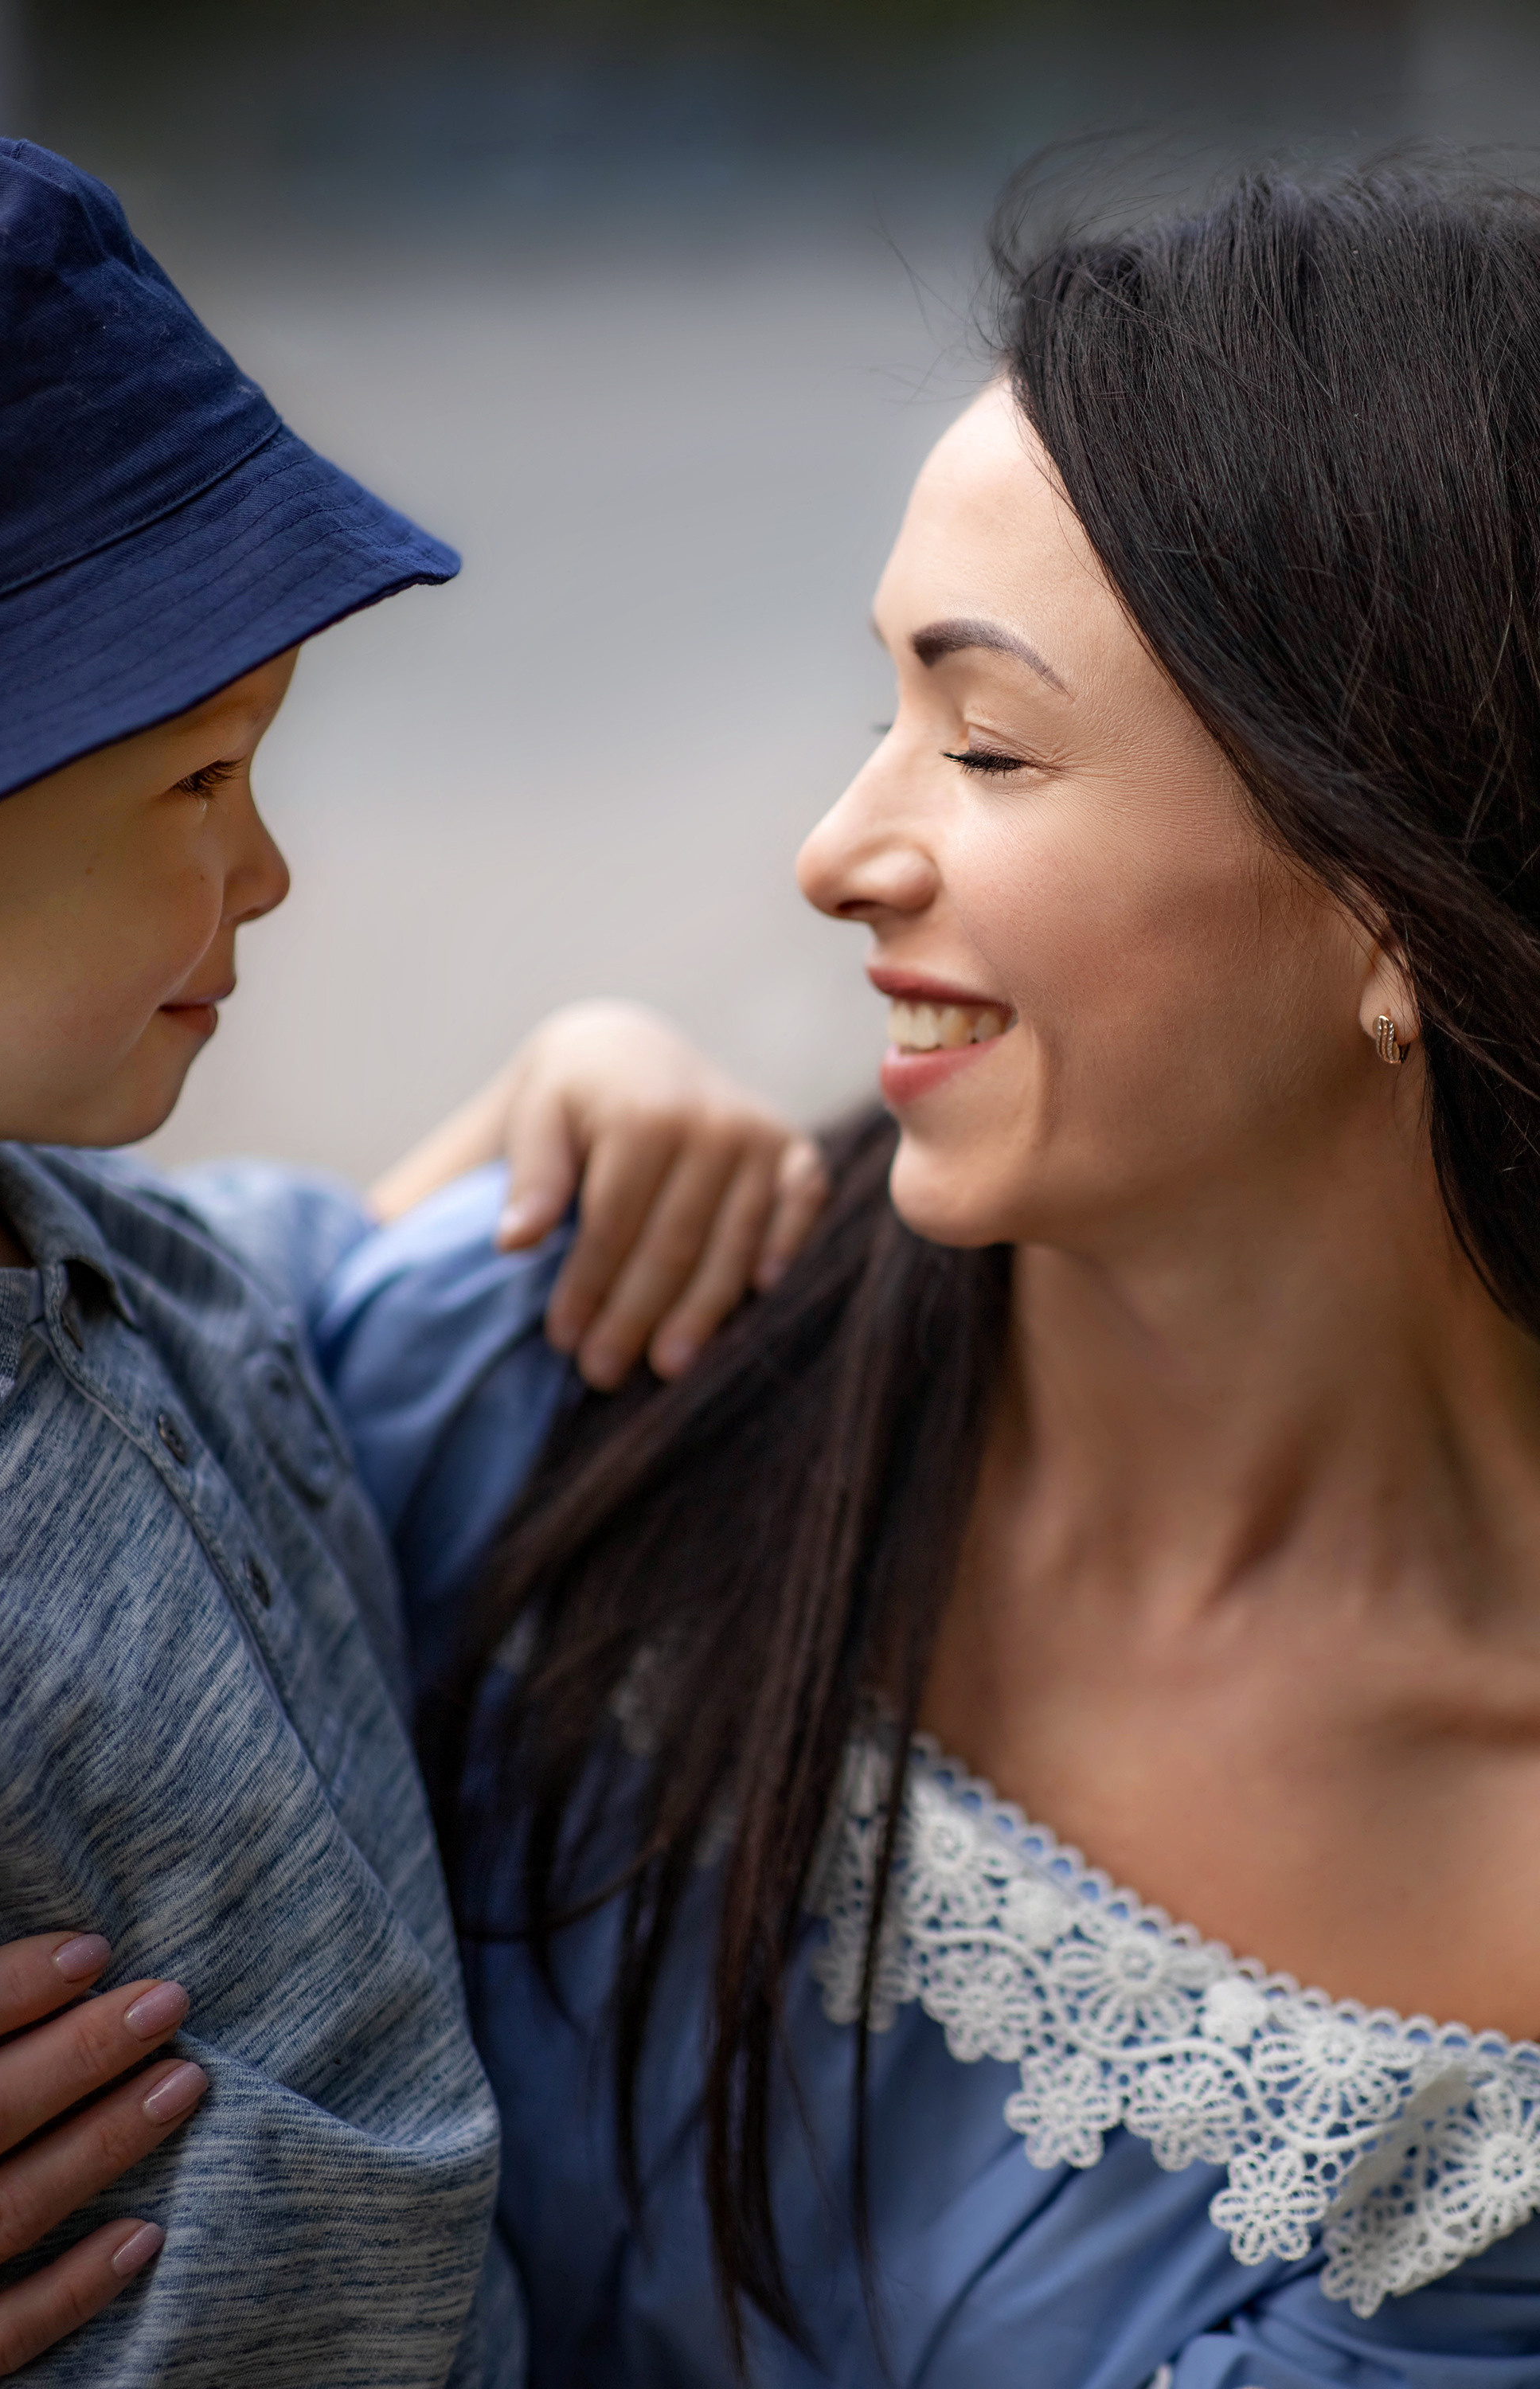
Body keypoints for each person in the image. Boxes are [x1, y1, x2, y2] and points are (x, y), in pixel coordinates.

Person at [320, 159, 1540, 2386]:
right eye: (883, 710)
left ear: (1393, 898)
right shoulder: (599, 1354)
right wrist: (433, 1237)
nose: (838, 849)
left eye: (984, 745)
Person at [0, 131, 824, 2388]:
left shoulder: (113, 1261)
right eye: (192, 787)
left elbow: (294, 1316)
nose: (270, 881)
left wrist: (582, 1079)